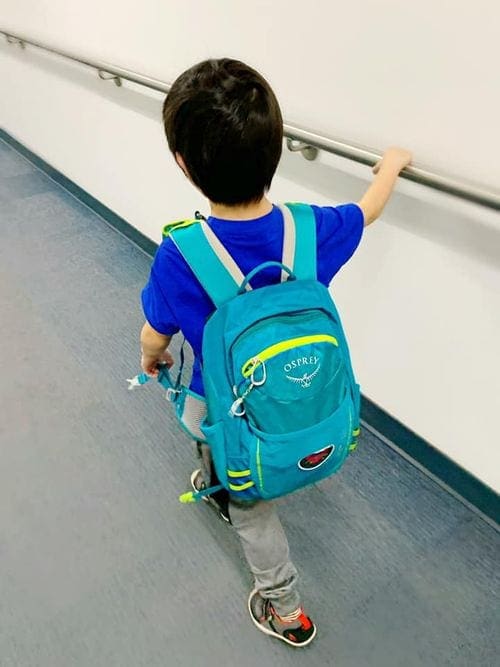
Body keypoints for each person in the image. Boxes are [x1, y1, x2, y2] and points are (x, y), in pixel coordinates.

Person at [140, 58, 412, 647]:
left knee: (247, 498)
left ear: (184, 165)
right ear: (278, 147)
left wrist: (150, 358)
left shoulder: (181, 254)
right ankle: (255, 477)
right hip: (304, 406)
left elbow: (155, 333)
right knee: (238, 449)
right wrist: (390, 164)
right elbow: (370, 208)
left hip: (224, 404)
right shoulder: (313, 230)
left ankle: (283, 605)